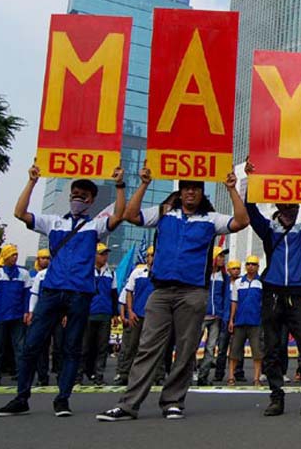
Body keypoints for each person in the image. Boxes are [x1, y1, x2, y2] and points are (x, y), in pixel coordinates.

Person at [96, 167, 248, 422]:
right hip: (161, 291)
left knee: (186, 349)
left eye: (196, 188)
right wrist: (144, 184)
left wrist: (232, 188)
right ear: (180, 192)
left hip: (193, 292)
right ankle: (129, 404)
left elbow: (241, 222)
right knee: (147, 348)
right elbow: (130, 215)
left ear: (201, 193)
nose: (191, 191)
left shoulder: (210, 219)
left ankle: (173, 402)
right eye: (186, 187)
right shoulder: (165, 213)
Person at [0, 165, 126, 417]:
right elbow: (20, 212)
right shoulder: (53, 222)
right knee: (31, 344)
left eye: (84, 196)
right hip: (51, 292)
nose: (78, 198)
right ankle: (21, 398)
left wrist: (119, 185)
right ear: (69, 196)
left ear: (92, 200)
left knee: (72, 348)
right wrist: (32, 181)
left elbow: (118, 216)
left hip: (80, 294)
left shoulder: (94, 227)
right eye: (75, 194)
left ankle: (62, 399)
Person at [242, 164, 301, 417]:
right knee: (272, 349)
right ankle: (276, 398)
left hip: (296, 297)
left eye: (294, 207)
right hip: (271, 296)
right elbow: (250, 210)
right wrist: (251, 177)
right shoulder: (268, 231)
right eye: (285, 207)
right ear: (278, 208)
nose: (290, 211)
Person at [0, 244, 32, 388]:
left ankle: (20, 373)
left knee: (20, 346)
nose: (15, 257)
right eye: (12, 255)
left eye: (16, 255)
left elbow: (27, 295)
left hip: (17, 316)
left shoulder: (24, 274)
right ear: (5, 256)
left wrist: (26, 312)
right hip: (0, 316)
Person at [80, 243, 118, 385]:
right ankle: (79, 376)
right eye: (102, 254)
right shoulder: (87, 271)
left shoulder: (111, 273)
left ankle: (99, 375)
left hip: (105, 314)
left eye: (106, 254)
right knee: (84, 347)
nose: (105, 257)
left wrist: (115, 314)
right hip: (89, 313)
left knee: (102, 348)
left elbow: (114, 294)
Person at [117, 247, 155, 386]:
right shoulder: (138, 272)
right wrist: (130, 311)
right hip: (138, 315)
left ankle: (155, 375)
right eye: (150, 255)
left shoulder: (162, 274)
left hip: (155, 317)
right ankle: (124, 373)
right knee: (131, 345)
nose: (152, 258)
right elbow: (128, 292)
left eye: (154, 255)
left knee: (153, 347)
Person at [227, 255, 264, 386]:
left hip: (255, 322)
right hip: (240, 321)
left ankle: (256, 378)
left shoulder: (261, 283)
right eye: (248, 264)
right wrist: (231, 320)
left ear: (258, 267)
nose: (250, 266)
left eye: (253, 264)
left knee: (257, 351)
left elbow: (264, 303)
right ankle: (231, 376)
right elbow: (234, 302)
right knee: (234, 351)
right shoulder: (238, 283)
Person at [196, 246, 228, 386]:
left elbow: (226, 297)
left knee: (210, 348)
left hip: (216, 317)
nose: (222, 259)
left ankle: (203, 376)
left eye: (223, 257)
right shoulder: (203, 274)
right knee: (192, 346)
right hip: (201, 316)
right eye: (219, 256)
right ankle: (187, 374)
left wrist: (223, 315)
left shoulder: (224, 277)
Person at [214, 259, 243, 383]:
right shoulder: (225, 282)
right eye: (234, 268)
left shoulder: (242, 282)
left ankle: (238, 372)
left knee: (238, 347)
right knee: (222, 347)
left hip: (239, 318)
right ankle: (219, 373)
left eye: (238, 268)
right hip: (225, 318)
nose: (236, 271)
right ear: (229, 270)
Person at [28, 249, 53, 386]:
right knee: (41, 345)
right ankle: (42, 376)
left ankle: (61, 375)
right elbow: (34, 294)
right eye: (43, 258)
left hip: (58, 314)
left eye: (48, 258)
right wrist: (31, 311)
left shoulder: (60, 274)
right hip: (43, 314)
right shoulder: (39, 275)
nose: (46, 261)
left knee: (61, 346)